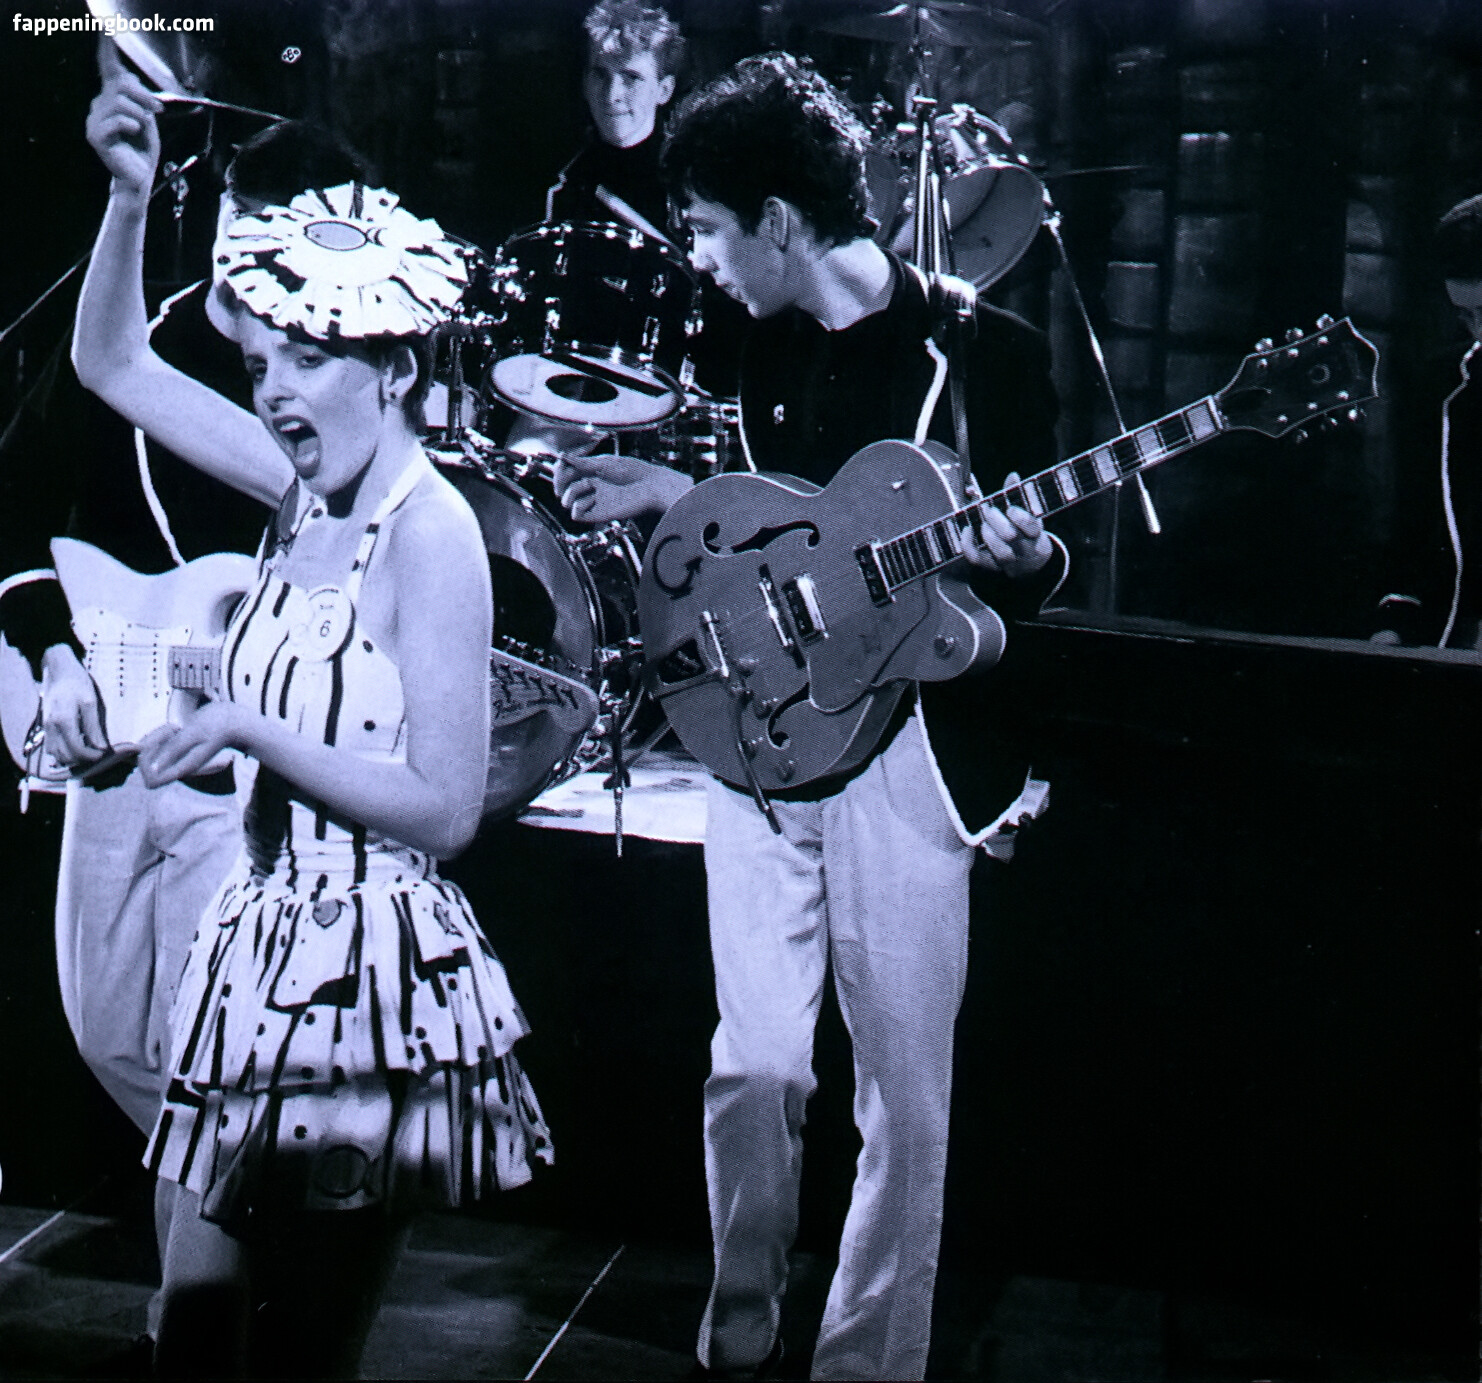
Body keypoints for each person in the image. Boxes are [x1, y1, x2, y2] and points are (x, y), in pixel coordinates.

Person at [555, 53, 1066, 1382]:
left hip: (906, 746)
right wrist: (661, 496)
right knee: (758, 1063)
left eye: (707, 230)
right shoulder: (748, 343)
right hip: (761, 739)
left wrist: (1025, 558)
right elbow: (760, 530)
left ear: (778, 221)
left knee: (903, 1090)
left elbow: (1039, 573)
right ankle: (738, 1332)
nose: (698, 260)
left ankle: (866, 1364)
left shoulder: (983, 355)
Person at [74, 48, 550, 1378]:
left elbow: (446, 810)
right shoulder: (300, 490)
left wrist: (251, 727)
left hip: (370, 978)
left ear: (391, 367)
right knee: (195, 1329)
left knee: (295, 1350)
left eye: (309, 359)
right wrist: (128, 197)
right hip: (260, 948)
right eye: (264, 359)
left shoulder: (433, 534)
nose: (275, 388)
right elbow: (112, 362)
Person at [1372, 193, 1482, 651]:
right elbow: (1415, 527)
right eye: (1467, 315)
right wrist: (1392, 626)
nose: (1480, 332)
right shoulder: (1444, 384)